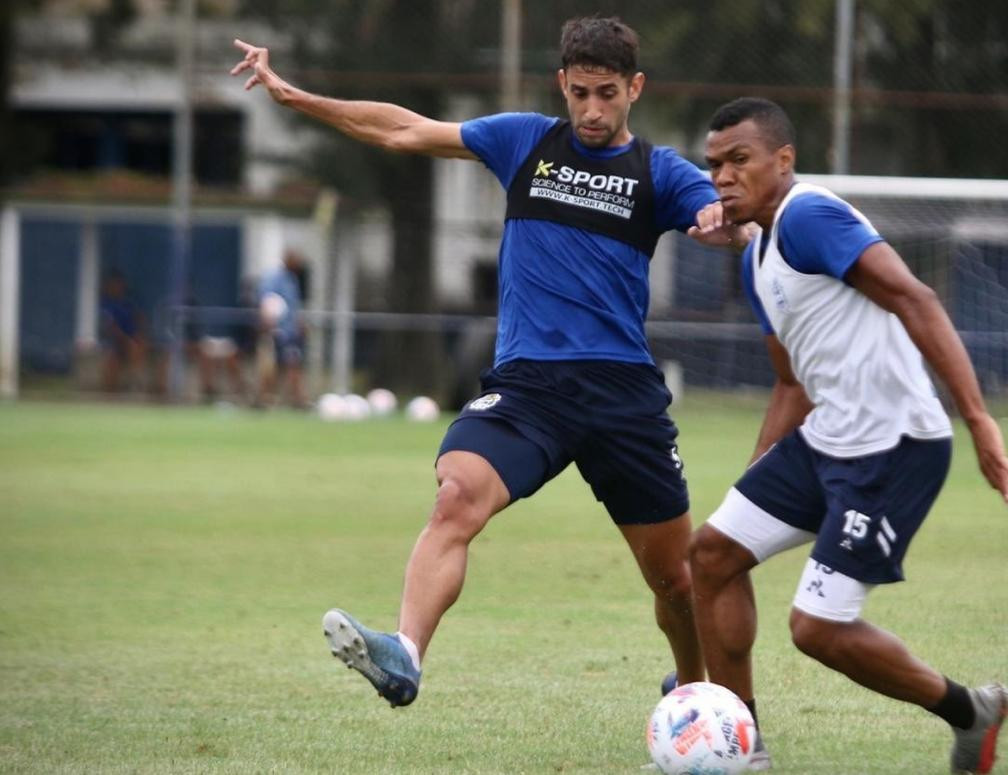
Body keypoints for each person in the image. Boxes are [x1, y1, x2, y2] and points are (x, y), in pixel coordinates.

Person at [232, 17, 743, 711]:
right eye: (581, 92)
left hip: (622, 393)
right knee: (456, 498)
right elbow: (404, 130)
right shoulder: (525, 142)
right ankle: (404, 652)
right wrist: (295, 97)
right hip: (530, 386)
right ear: (562, 83)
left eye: (608, 93)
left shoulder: (661, 173)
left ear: (636, 89)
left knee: (675, 581)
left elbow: (725, 220)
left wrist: (725, 222)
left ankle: (695, 689)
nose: (593, 109)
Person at [687, 97, 1008, 774]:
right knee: (713, 554)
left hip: (894, 446)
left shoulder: (810, 214)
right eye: (714, 164)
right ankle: (741, 748)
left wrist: (980, 420)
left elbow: (915, 298)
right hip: (827, 436)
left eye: (739, 160)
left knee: (817, 629)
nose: (722, 176)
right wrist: (752, 482)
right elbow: (791, 385)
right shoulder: (757, 261)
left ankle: (971, 710)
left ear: (784, 160)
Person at [255, 249, 308, 408]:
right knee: (274, 365)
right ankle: (266, 398)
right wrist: (267, 322)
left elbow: (293, 306)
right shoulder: (273, 277)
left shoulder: (292, 279)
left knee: (290, 363)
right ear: (288, 260)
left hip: (290, 331)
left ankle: (292, 399)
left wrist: (299, 323)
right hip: (277, 331)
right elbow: (267, 301)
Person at [97, 270, 148, 393]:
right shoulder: (105, 303)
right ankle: (113, 390)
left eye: (120, 284)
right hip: (111, 341)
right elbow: (109, 327)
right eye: (114, 284)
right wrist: (125, 338)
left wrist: (140, 330)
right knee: (118, 354)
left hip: (130, 339)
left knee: (139, 343)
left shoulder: (127, 302)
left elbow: (140, 318)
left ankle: (136, 381)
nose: (117, 287)